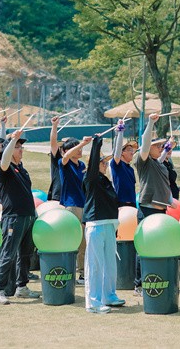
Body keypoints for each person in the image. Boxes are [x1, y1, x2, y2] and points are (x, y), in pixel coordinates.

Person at [0, 128, 41, 304]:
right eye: (17, 147)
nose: (21, 149)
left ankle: (22, 287)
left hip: (28, 216)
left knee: (25, 255)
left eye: (21, 147)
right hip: (13, 217)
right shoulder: (4, 168)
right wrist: (12, 139)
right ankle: (0, 290)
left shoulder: (22, 169)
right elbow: (4, 159)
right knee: (8, 254)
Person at [82, 134, 125, 314]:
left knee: (109, 264)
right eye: (102, 163)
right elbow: (92, 165)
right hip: (96, 225)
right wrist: (96, 144)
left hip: (109, 225)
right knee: (95, 265)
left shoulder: (105, 180)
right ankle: (93, 302)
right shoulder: (90, 178)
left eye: (106, 163)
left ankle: (109, 296)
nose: (105, 165)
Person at [133, 113, 171, 295]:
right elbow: (146, 142)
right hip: (147, 210)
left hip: (161, 211)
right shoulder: (143, 161)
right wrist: (150, 123)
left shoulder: (158, 163)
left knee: (158, 246)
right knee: (144, 246)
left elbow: (161, 157)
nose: (160, 148)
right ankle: (139, 284)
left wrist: (167, 148)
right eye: (157, 145)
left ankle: (154, 278)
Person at [59, 136, 91, 284]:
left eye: (81, 148)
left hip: (84, 206)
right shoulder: (64, 163)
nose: (80, 150)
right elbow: (65, 157)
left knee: (84, 242)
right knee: (72, 240)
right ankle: (69, 271)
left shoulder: (82, 165)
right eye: (77, 148)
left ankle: (83, 273)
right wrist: (82, 143)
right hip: (72, 206)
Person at [110, 119, 138, 207]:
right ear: (122, 152)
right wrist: (120, 132)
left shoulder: (131, 169)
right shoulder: (117, 165)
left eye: (133, 150)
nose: (132, 153)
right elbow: (117, 151)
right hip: (120, 204)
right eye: (129, 150)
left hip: (132, 204)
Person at [48, 115, 64, 202]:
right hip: (58, 197)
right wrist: (54, 126)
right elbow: (53, 142)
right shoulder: (58, 159)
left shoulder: (76, 163)